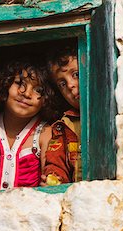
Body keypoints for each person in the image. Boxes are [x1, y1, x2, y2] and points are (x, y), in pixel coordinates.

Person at [0, 58, 59, 190]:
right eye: (19, 83)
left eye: (38, 90)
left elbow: (50, 181)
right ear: (6, 84)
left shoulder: (44, 134)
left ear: (46, 98)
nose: (27, 93)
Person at [42, 45, 81, 185]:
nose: (70, 85)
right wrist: (54, 178)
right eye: (62, 83)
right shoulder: (64, 127)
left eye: (76, 74)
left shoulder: (117, 114)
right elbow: (57, 164)